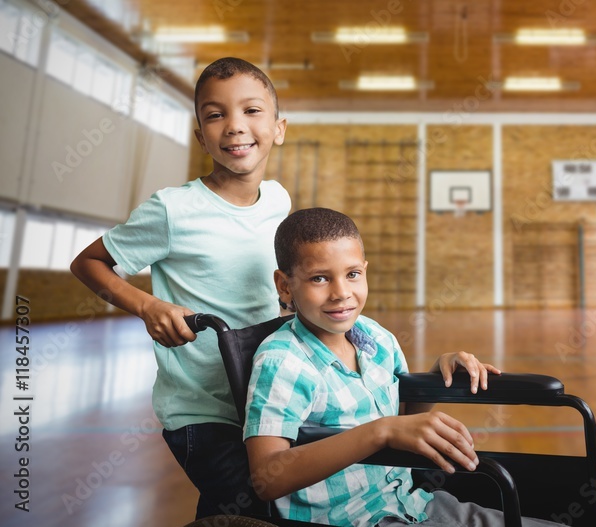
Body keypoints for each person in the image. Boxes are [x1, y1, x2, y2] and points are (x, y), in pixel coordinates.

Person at [244, 208, 565, 527]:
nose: (342, 292)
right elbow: (266, 478)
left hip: (412, 502)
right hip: (351, 519)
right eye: (320, 278)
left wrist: (436, 378)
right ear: (285, 286)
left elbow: (406, 424)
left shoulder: (377, 339)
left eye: (352, 274)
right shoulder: (282, 361)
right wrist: (380, 431)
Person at [70, 57, 289, 519]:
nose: (234, 126)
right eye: (215, 114)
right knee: (249, 508)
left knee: (252, 513)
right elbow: (88, 263)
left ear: (279, 127)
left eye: (251, 111)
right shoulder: (173, 210)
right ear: (200, 136)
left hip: (265, 397)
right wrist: (148, 305)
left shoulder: (278, 200)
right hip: (201, 411)